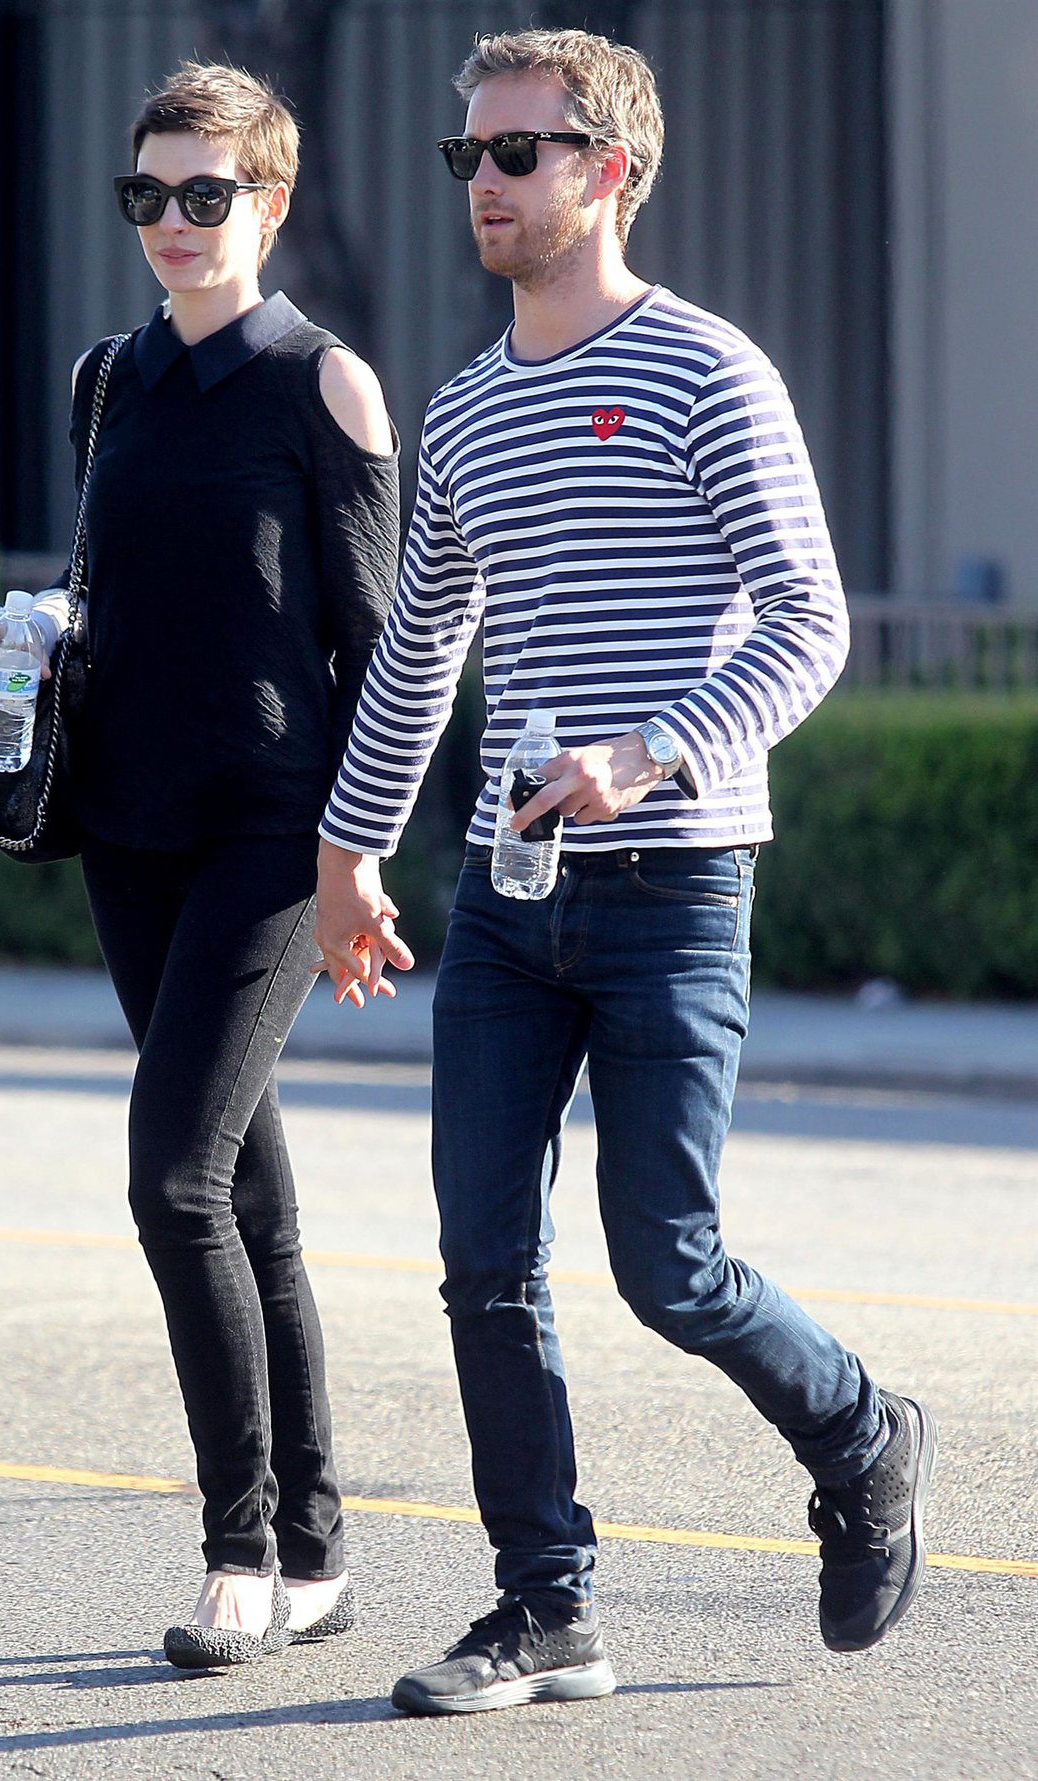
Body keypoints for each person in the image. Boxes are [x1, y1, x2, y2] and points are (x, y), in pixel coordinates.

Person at [314, 27, 936, 1717]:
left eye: (519, 155)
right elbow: (419, 652)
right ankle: (547, 1607)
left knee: (669, 1260)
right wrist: (350, 851)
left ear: (615, 170)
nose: (487, 187)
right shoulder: (463, 408)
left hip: (678, 883)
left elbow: (811, 625)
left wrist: (651, 749)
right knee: (482, 1262)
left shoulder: (708, 373)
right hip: (511, 903)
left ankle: (861, 1427)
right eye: (472, 160)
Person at [0, 60, 399, 1667]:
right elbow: (103, 583)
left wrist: (360, 865)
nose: (172, 224)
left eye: (204, 194)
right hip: (125, 831)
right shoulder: (107, 380)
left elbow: (386, 649)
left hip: (270, 841)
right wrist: (19, 647)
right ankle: (321, 1549)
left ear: (268, 202)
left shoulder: (325, 386)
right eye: (147, 195)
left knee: (174, 1178)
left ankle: (239, 1544)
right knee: (252, 1199)